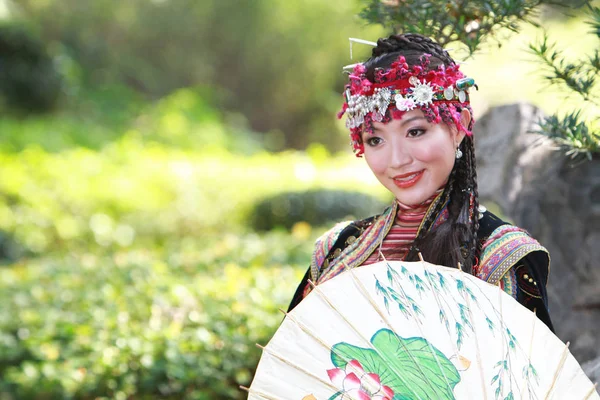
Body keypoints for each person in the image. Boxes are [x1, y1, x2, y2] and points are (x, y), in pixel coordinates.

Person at [287, 33, 553, 331]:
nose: (397, 160)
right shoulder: (337, 249)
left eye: (415, 132)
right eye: (375, 139)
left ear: (459, 126)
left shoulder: (501, 256)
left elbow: (529, 372)